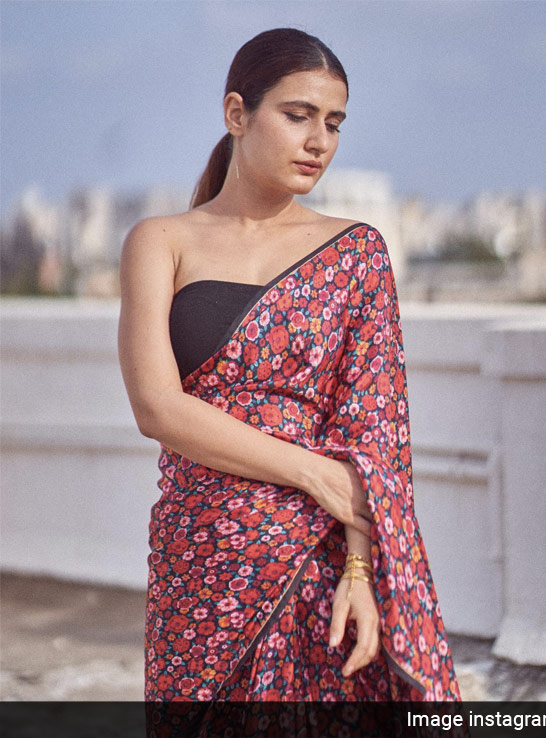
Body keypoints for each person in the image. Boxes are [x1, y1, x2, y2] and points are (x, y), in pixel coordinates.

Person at [117, 28, 461, 705]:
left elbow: (374, 433)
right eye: (297, 115)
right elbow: (156, 406)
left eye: (333, 123)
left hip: (324, 556)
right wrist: (313, 473)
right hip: (203, 553)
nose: (319, 142)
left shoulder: (356, 252)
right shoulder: (161, 241)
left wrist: (361, 571)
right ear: (237, 114)